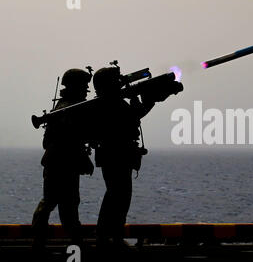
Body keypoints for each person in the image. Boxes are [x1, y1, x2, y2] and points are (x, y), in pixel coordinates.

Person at [91, 66, 182, 250]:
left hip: (117, 155)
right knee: (117, 197)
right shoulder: (109, 104)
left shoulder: (112, 102)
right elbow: (133, 115)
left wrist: (150, 98)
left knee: (118, 197)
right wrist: (149, 99)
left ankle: (109, 238)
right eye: (115, 81)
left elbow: (135, 114)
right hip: (116, 155)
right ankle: (109, 239)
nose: (119, 83)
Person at [32, 68, 94, 251]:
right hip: (63, 164)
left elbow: (49, 141)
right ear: (75, 87)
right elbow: (70, 140)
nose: (85, 91)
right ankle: (70, 244)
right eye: (83, 86)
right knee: (62, 205)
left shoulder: (61, 108)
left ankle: (43, 243)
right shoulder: (70, 110)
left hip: (59, 164)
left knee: (61, 205)